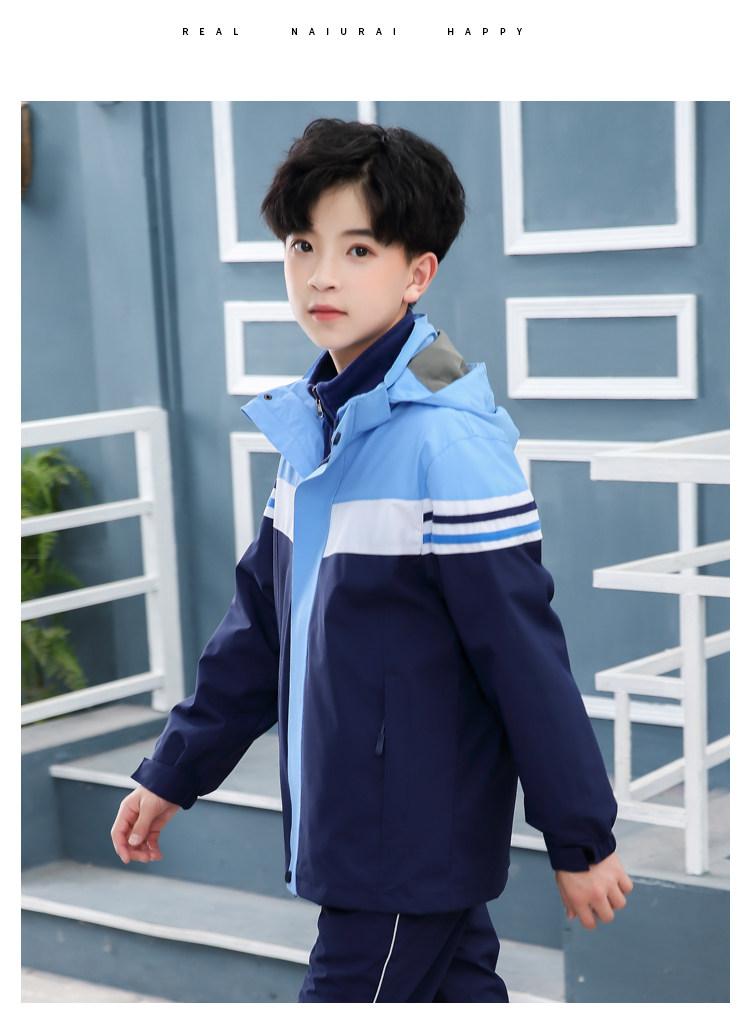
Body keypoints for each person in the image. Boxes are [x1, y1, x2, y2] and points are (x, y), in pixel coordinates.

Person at [111, 117, 633, 1003]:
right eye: (303, 244)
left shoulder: (447, 443)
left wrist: (581, 836)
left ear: (416, 273)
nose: (322, 274)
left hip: (402, 843)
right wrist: (175, 768)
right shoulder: (316, 428)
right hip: (370, 832)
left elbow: (521, 655)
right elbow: (260, 630)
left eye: (358, 249)